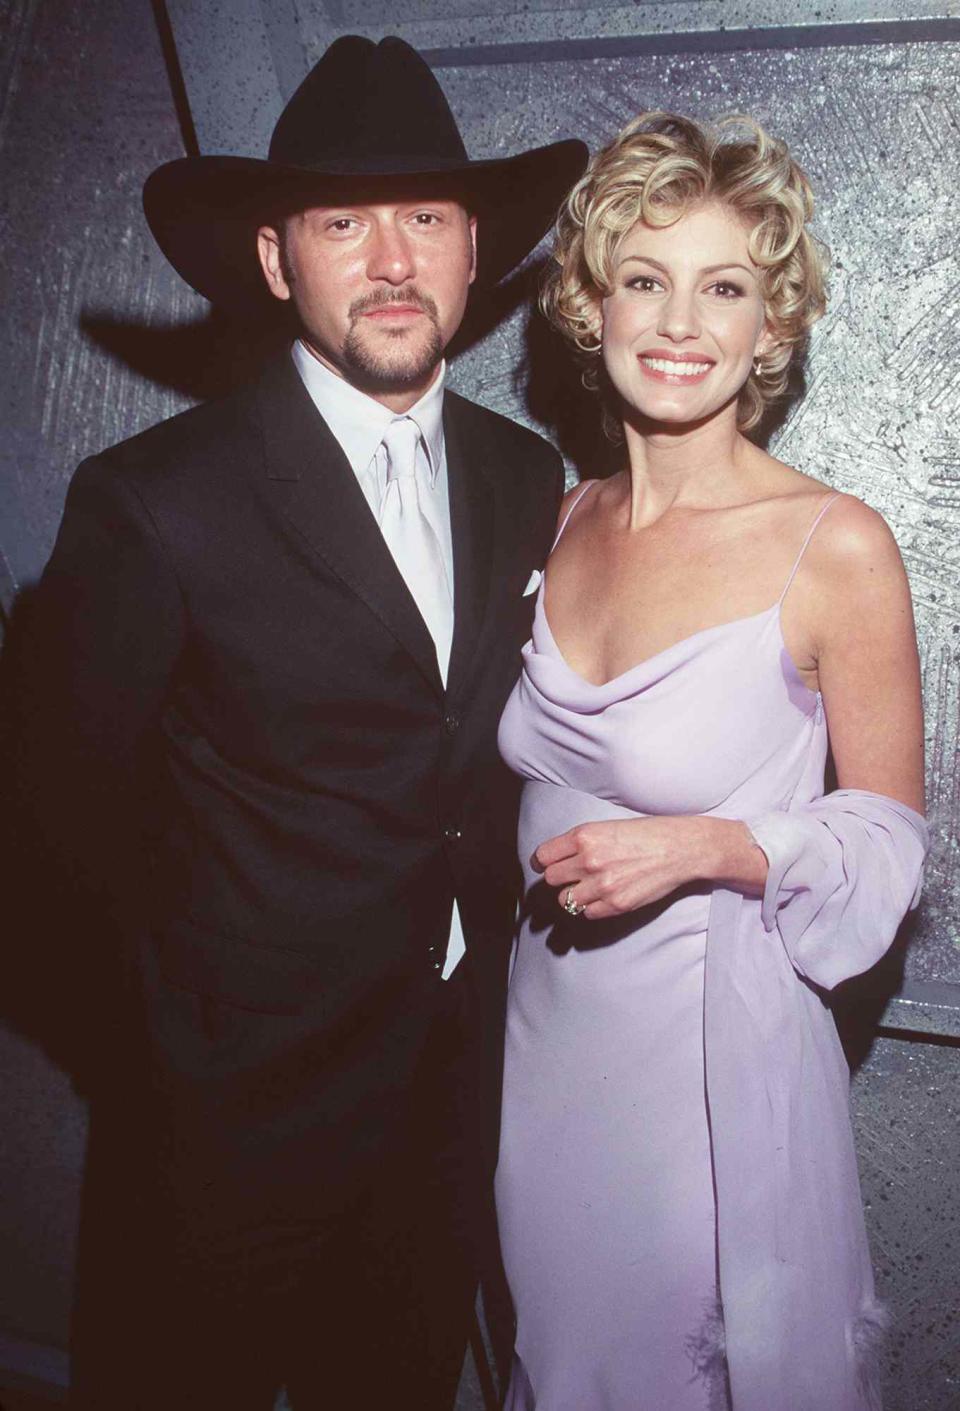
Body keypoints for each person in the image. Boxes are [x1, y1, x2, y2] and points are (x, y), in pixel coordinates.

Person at [13, 34, 587, 1411]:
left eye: (427, 222)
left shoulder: (525, 474)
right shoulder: (157, 497)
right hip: (220, 1136)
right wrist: (167, 1051)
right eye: (344, 223)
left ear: (474, 256)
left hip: (446, 1117)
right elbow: (39, 825)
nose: (392, 262)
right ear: (277, 260)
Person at [495, 112, 928, 1411]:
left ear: (770, 327)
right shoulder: (561, 516)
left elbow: (892, 846)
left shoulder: (834, 548)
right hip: (538, 1058)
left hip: (702, 1088)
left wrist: (718, 848)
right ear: (593, 305)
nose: (682, 321)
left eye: (725, 286)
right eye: (646, 279)